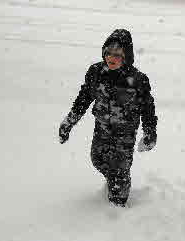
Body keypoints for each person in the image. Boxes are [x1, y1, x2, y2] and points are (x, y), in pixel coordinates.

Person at [59, 29, 158, 207]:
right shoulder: (96, 72)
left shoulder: (138, 80)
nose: (111, 58)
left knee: (120, 171)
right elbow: (84, 98)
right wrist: (69, 122)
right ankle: (114, 178)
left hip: (125, 134)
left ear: (126, 56)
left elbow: (148, 108)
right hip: (102, 128)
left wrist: (150, 132)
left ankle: (118, 210)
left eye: (118, 55)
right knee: (97, 159)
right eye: (108, 53)